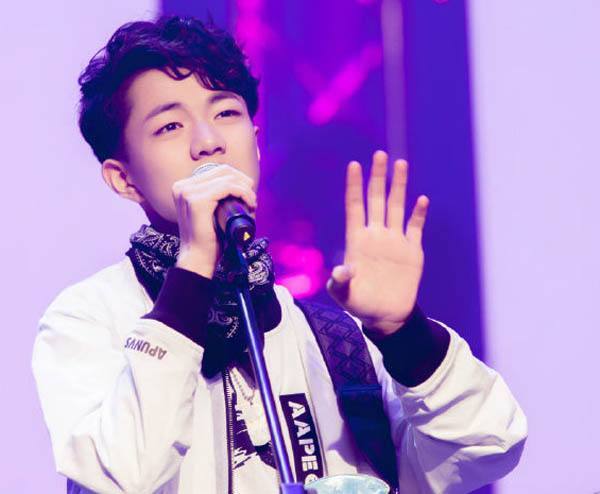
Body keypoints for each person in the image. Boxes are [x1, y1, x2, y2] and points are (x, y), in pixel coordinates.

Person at [32, 15, 527, 494]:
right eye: (170, 126)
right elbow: (124, 475)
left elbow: (487, 446)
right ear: (123, 179)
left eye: (225, 114)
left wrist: (405, 334)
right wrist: (195, 267)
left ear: (256, 143)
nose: (208, 142)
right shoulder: (89, 319)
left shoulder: (335, 343)